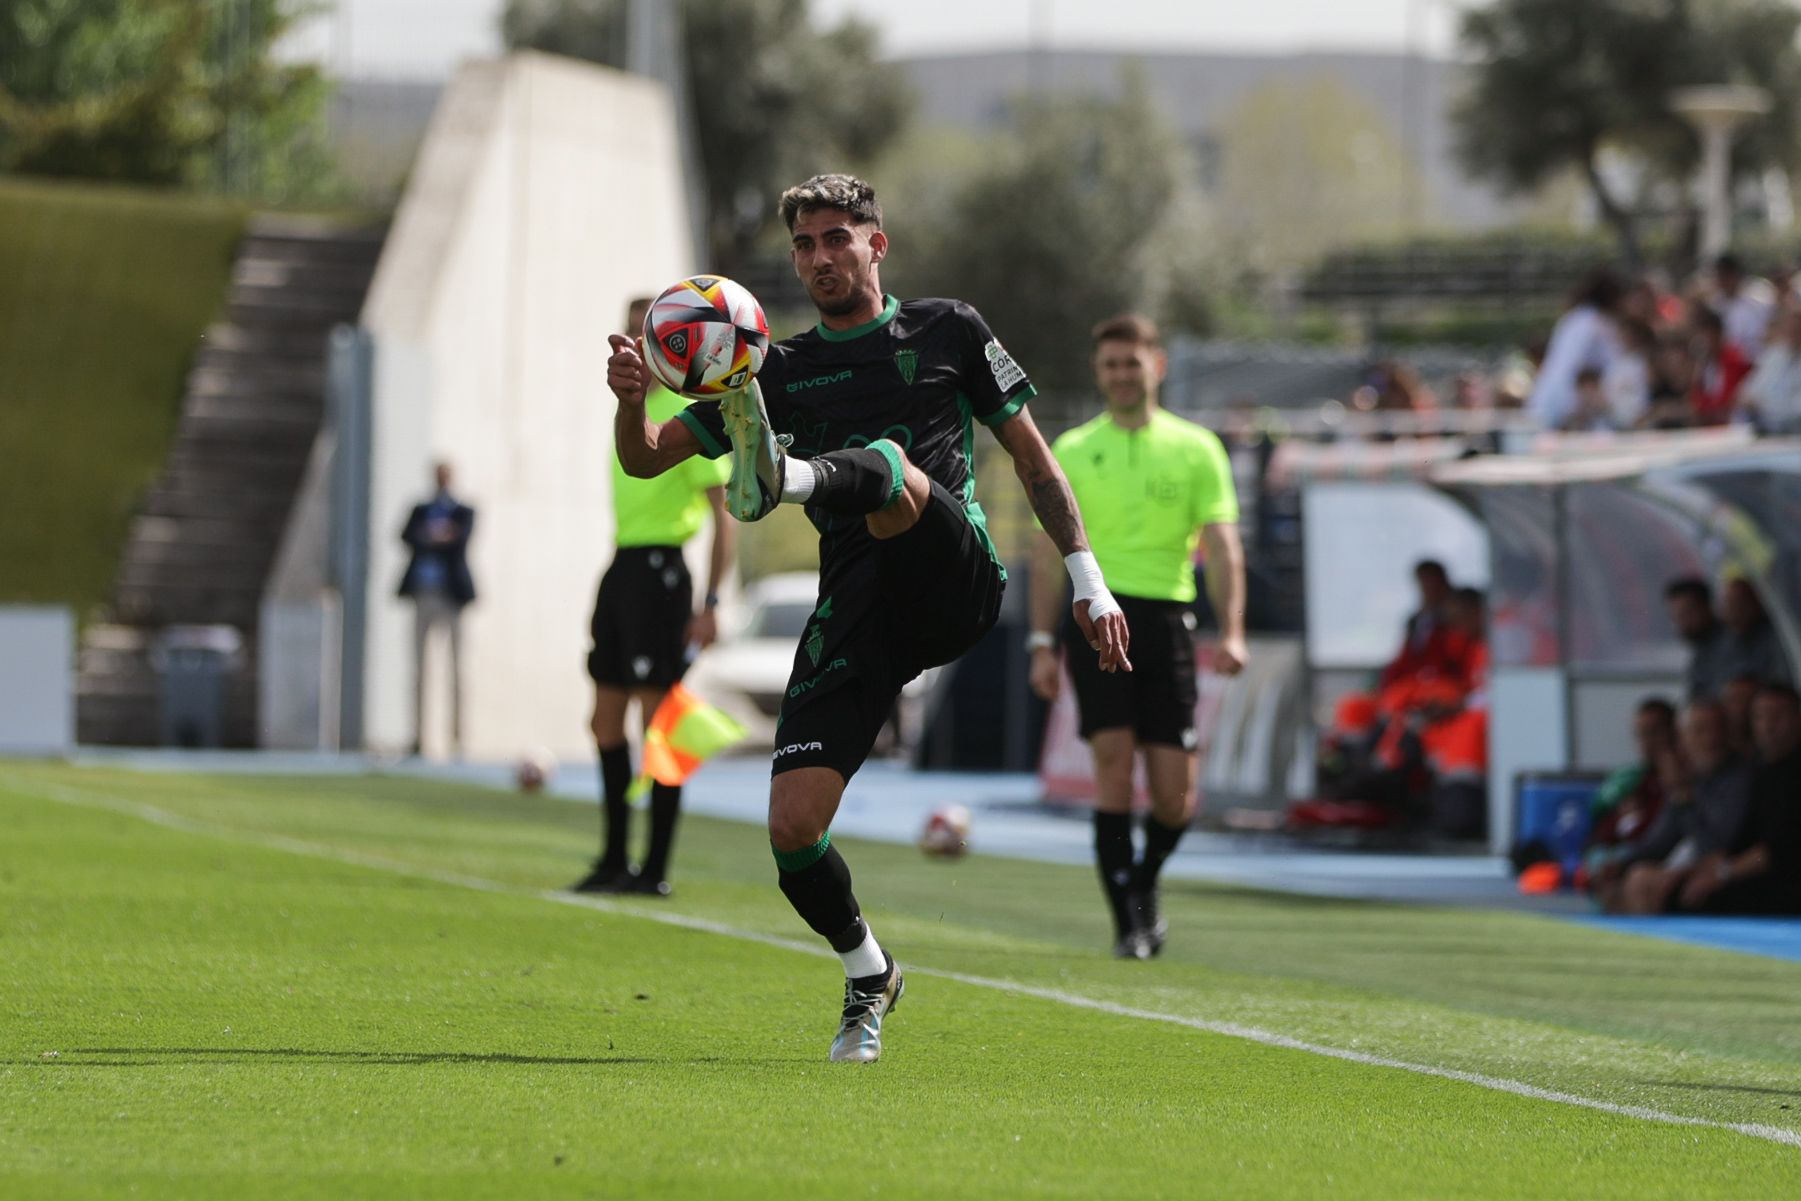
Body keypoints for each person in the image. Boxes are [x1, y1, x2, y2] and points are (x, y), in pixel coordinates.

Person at [603, 173, 1129, 1062]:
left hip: (952, 573)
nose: (818, 258)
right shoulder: (774, 368)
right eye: (803, 246)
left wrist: (1088, 577)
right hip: (859, 604)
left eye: (835, 239)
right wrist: (628, 398)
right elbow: (650, 457)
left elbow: (1036, 463)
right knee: (792, 829)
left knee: (890, 465)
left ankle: (787, 478)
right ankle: (868, 971)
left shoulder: (949, 328)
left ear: (875, 244)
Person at [1025, 313, 1246, 960]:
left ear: (1158, 365)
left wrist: (1231, 628)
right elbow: (1045, 554)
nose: (1122, 374)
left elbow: (1224, 546)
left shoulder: (1197, 447)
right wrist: (1040, 643)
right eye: (1111, 364)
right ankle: (1129, 922)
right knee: (1113, 772)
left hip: (1168, 622)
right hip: (1096, 620)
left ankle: (1143, 881)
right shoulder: (1069, 449)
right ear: (1099, 373)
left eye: (1133, 362)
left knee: (1176, 795)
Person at [571, 297, 736, 898]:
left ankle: (654, 868)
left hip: (663, 574)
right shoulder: (629, 410)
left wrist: (714, 602)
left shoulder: (685, 418)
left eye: (654, 334)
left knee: (656, 721)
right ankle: (615, 858)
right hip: (622, 567)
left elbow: (724, 518)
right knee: (604, 720)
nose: (638, 346)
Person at [1608, 701, 1753, 914]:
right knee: (1631, 875)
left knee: (1643, 880)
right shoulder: (1690, 778)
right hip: (1689, 867)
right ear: (1683, 739)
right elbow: (1659, 841)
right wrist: (1620, 864)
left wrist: (1683, 797)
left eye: (1716, 729)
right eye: (1699, 731)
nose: (1710, 740)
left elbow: (1715, 848)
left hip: (1729, 873)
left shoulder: (1740, 779)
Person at [1675, 684, 1801, 915]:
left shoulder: (1791, 776)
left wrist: (1723, 874)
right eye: (1761, 717)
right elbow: (1740, 843)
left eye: (1778, 716)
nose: (1768, 726)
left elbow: (1776, 850)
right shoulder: (1761, 772)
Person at [397, 461, 476, 756]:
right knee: (419, 669)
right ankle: (417, 737)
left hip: (451, 596)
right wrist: (436, 534)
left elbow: (460, 540)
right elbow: (407, 536)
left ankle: (457, 739)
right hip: (423, 593)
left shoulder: (463, 510)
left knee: (457, 669)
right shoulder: (420, 509)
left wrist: (435, 536)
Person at [1527, 268, 1621, 430]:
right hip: (1568, 403)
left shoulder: (1573, 318)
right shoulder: (1599, 324)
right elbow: (1615, 363)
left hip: (1545, 398)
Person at [1664, 576, 1732, 703]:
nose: (1682, 622)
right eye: (1676, 616)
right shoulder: (1700, 652)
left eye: (1687, 612)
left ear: (1707, 606)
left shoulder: (1731, 642)